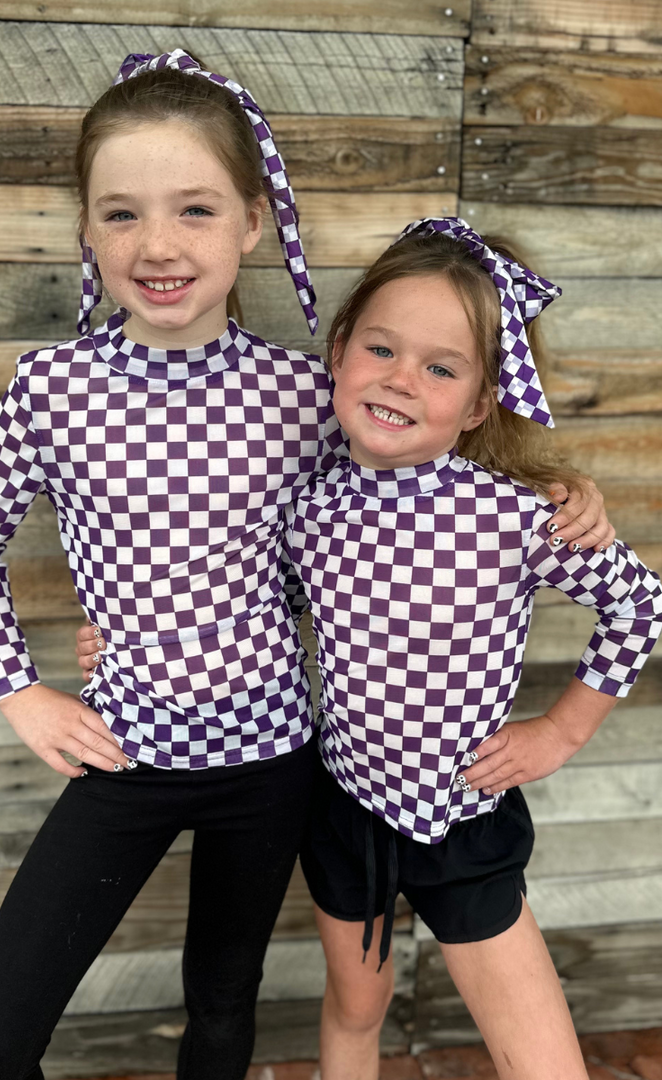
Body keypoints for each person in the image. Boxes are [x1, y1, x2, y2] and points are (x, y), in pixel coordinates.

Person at [0, 43, 610, 1079]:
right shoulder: (53, 390)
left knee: (223, 1007)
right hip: (126, 752)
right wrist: (23, 691)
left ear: (253, 221)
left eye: (195, 209)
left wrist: (566, 492)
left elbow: (401, 499)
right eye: (120, 212)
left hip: (273, 762)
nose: (157, 243)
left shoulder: (308, 393)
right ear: (86, 228)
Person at [280, 219, 660, 1080]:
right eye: (381, 348)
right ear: (339, 352)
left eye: (442, 368)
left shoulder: (518, 516)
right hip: (345, 812)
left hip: (465, 821)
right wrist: (127, 635)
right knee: (354, 1008)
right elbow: (263, 609)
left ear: (482, 403)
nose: (401, 379)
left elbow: (640, 606)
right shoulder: (309, 510)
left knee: (542, 1061)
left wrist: (561, 729)